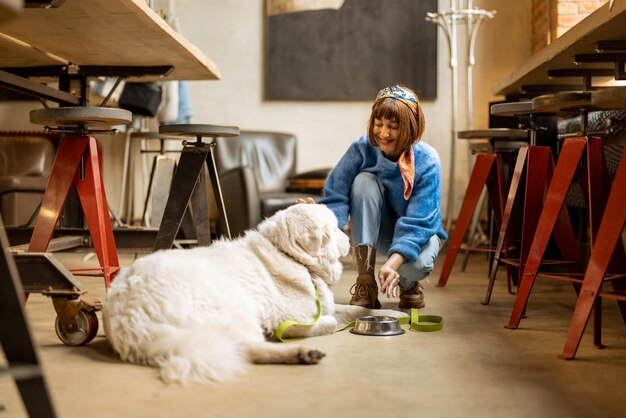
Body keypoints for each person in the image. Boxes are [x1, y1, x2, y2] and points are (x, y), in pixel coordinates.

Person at [315, 85, 447, 309]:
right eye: (379, 124)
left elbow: (420, 223)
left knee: (415, 267)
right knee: (363, 180)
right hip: (378, 234)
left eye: (393, 127)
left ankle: (409, 283)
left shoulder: (428, 160)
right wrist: (319, 221)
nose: (384, 134)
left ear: (410, 128)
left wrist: (393, 265)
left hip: (419, 235)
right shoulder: (362, 148)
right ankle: (365, 282)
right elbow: (335, 193)